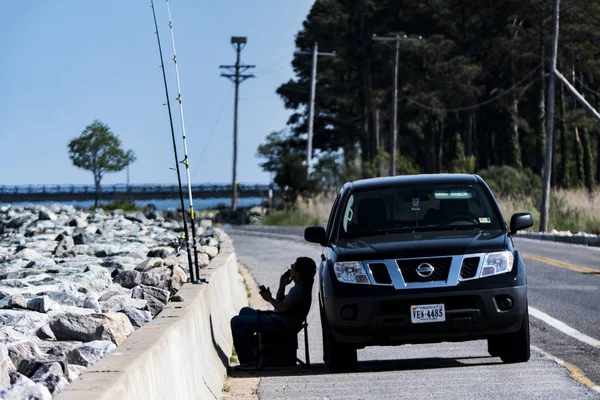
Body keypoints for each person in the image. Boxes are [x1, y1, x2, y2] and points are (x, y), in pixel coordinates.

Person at [230, 257, 317, 368]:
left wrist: (269, 299)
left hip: (280, 325)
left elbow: (283, 308)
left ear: (298, 274)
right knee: (245, 311)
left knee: (237, 322)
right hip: (279, 319)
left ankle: (249, 361)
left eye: (293, 267)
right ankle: (254, 353)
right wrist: (282, 285)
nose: (290, 270)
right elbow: (281, 303)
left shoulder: (299, 289)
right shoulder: (301, 287)